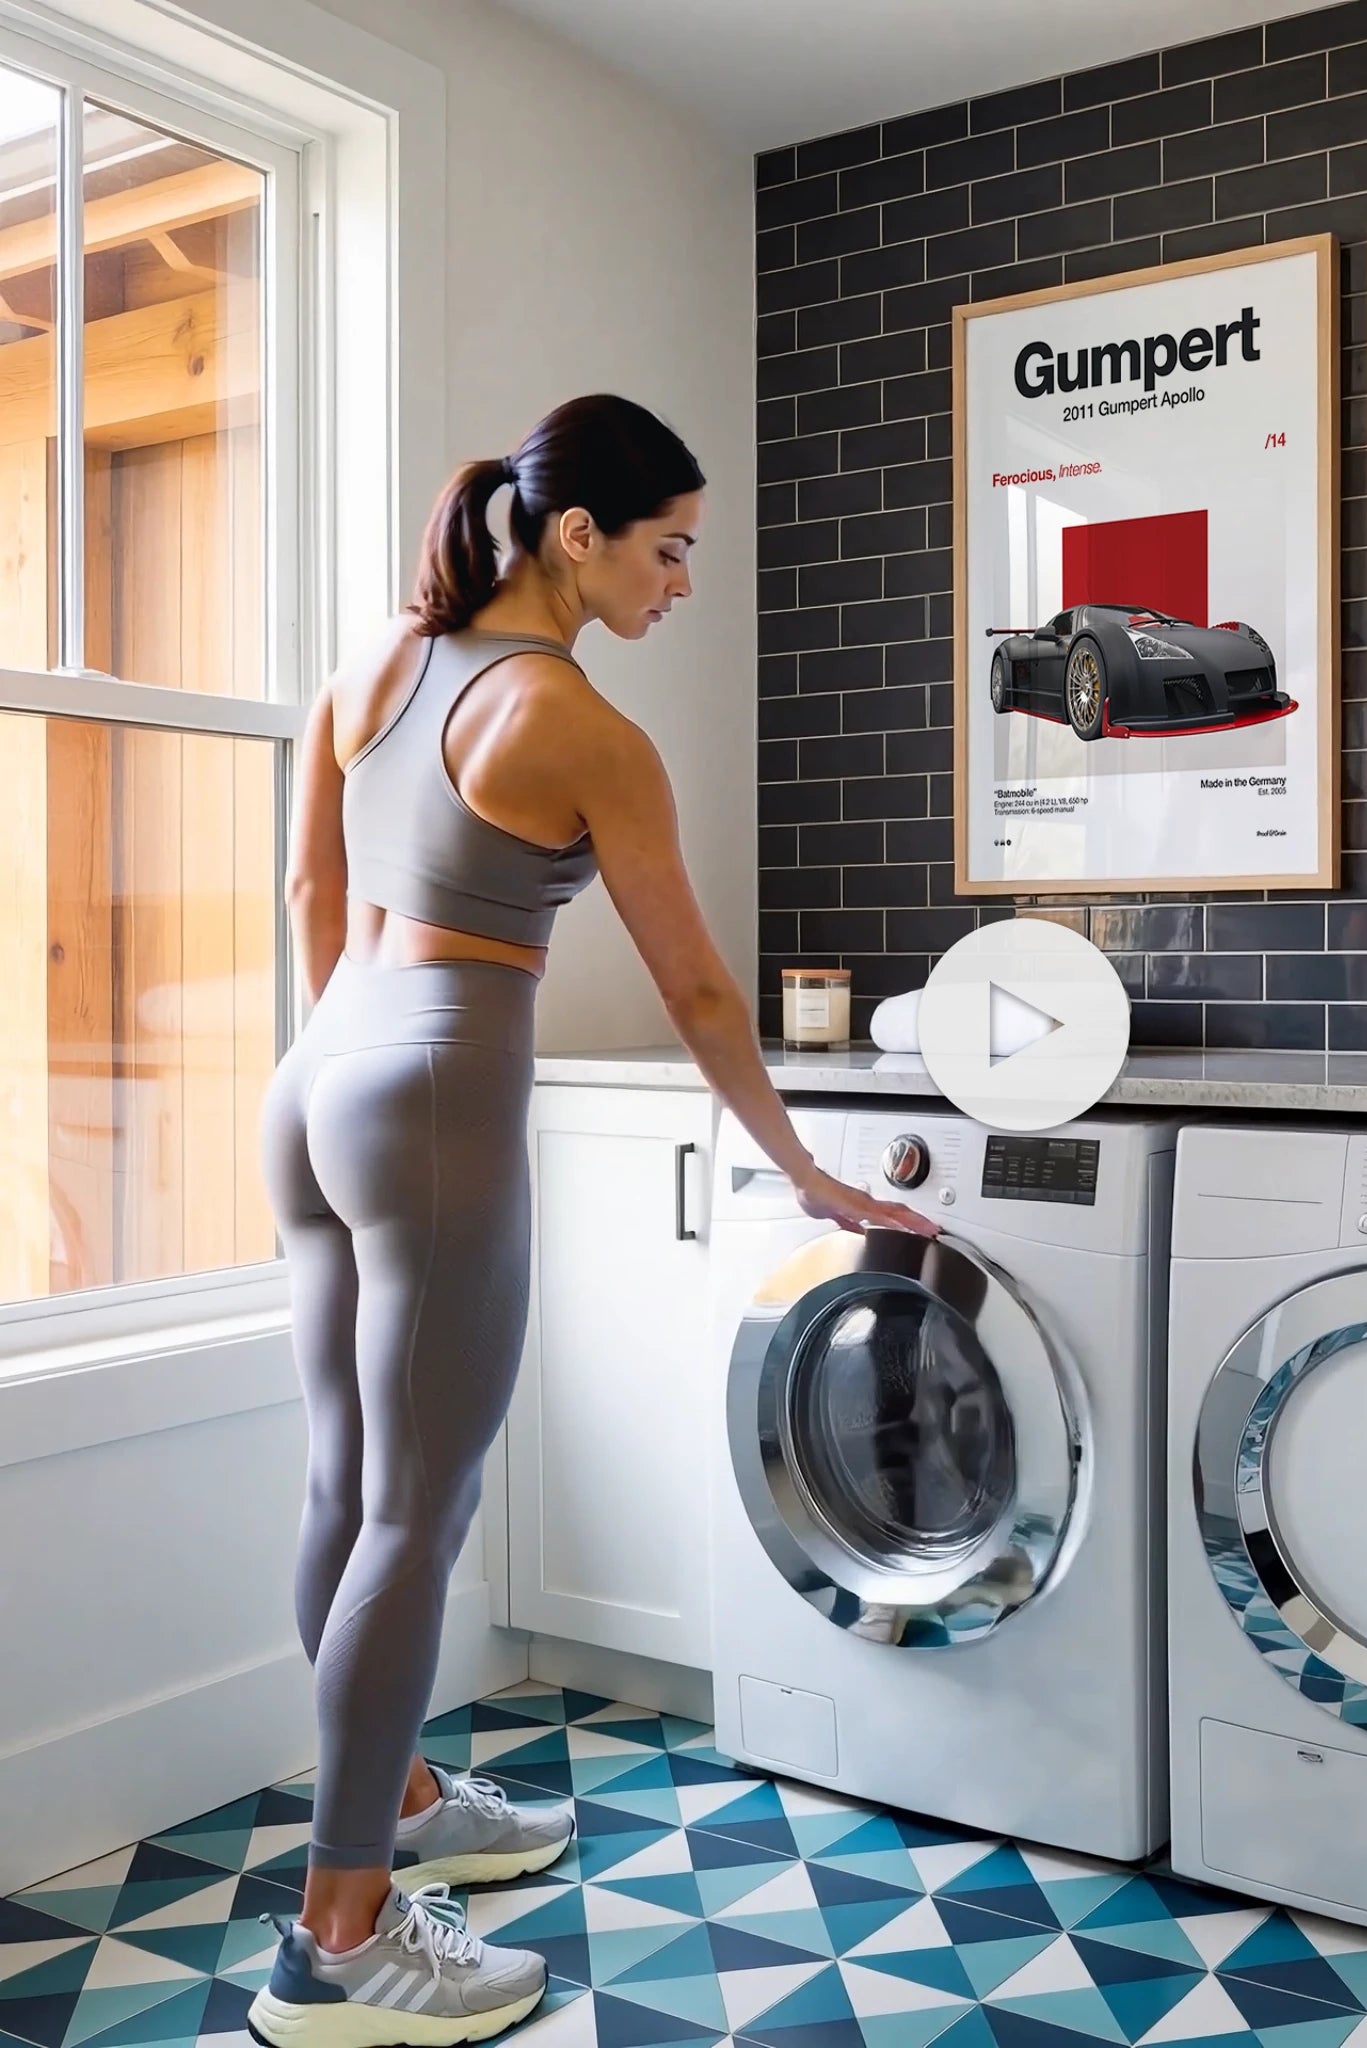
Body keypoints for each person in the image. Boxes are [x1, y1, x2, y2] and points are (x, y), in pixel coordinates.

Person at [249, 394, 938, 2048]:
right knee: (419, 1513)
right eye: (670, 548)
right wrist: (806, 1167)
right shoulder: (576, 725)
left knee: (348, 1488)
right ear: (578, 537)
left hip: (320, 1072)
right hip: (434, 1090)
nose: (682, 581)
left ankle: (404, 1802)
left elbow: (311, 896)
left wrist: (352, 1054)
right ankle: (340, 1942)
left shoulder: (379, 664)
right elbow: (697, 987)